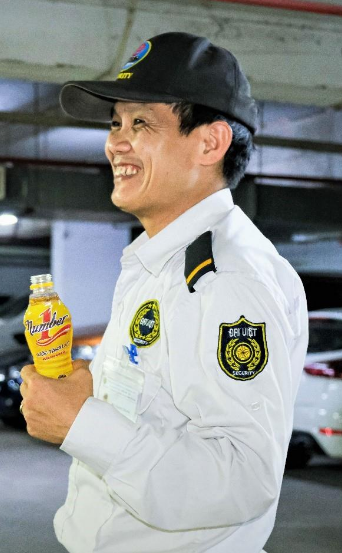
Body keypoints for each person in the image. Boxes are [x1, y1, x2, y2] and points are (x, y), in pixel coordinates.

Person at [18, 32, 309, 553]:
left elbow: (243, 478)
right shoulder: (159, 262)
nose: (115, 143)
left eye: (141, 123)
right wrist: (89, 399)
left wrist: (81, 422)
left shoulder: (227, 278)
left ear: (210, 144)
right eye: (115, 123)